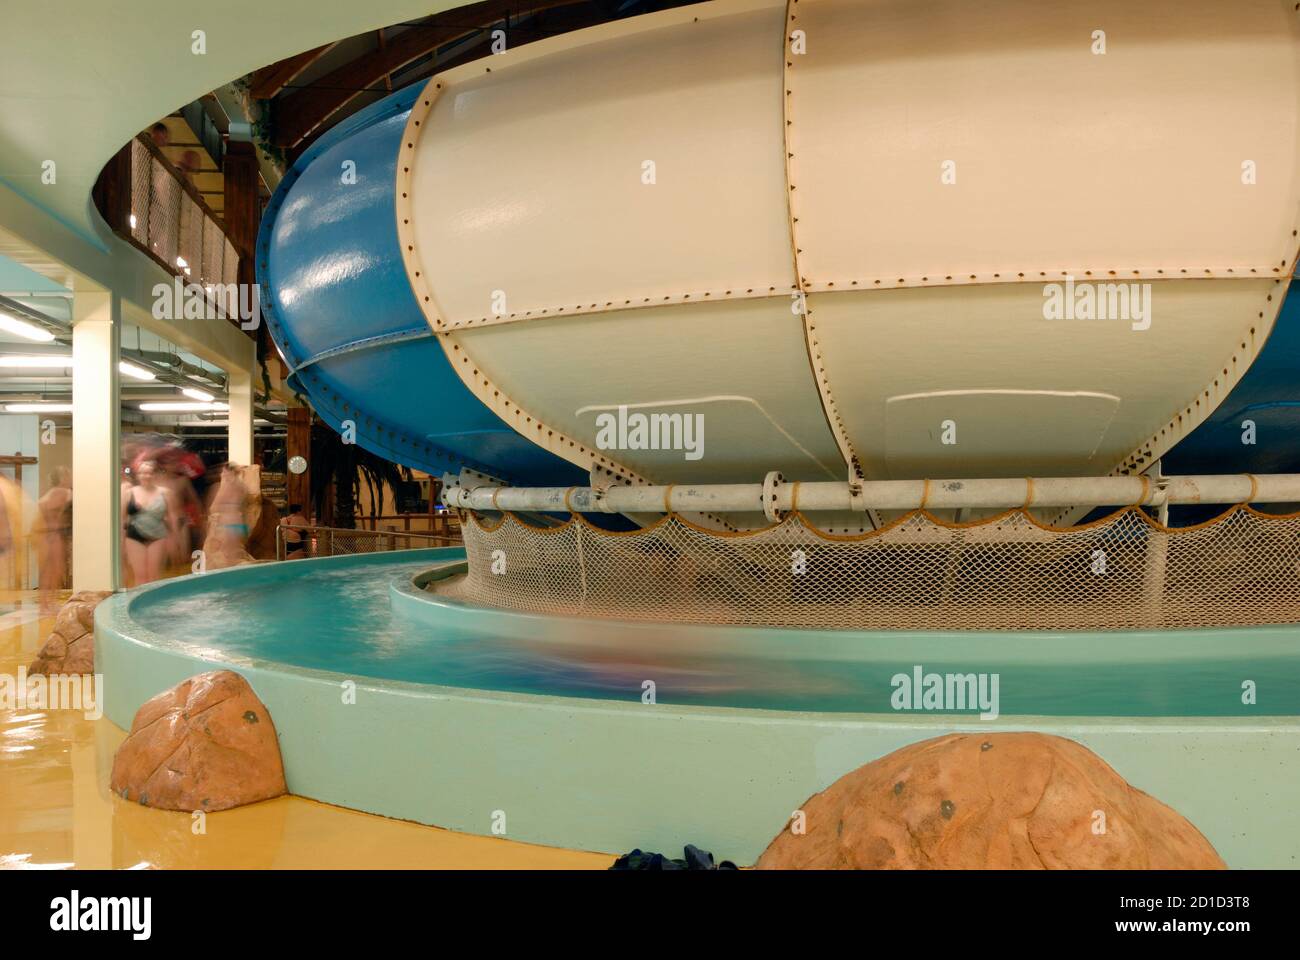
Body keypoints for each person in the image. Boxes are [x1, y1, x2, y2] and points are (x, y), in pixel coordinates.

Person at [122, 460, 175, 585]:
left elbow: (172, 517)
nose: (146, 476)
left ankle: (153, 603)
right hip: (134, 536)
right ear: (138, 475)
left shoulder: (165, 492)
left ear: (155, 475)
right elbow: (122, 519)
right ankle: (140, 603)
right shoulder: (129, 493)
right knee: (140, 576)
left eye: (150, 473)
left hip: (158, 536)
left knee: (154, 576)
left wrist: (174, 538)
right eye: (143, 473)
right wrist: (121, 542)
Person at [36, 467, 72, 611]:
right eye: (68, 476)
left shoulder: (47, 495)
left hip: (43, 534)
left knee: (47, 569)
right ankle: (49, 603)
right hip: (55, 533)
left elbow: (43, 507)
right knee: (56, 569)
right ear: (63, 478)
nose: (70, 479)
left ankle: (45, 603)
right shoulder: (65, 493)